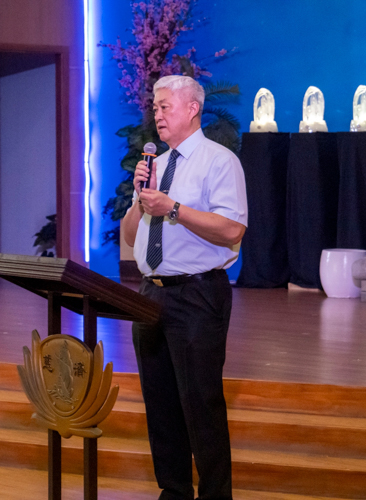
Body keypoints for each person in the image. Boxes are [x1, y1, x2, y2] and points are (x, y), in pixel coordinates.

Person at [123, 75, 248, 500]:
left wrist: (173, 208)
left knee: (201, 405)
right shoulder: (154, 166)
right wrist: (141, 198)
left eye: (165, 106)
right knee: (160, 406)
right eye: (155, 107)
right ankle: (173, 492)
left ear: (192, 108)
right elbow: (128, 236)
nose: (157, 114)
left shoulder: (219, 161)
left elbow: (232, 229)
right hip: (150, 294)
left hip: (197, 295)